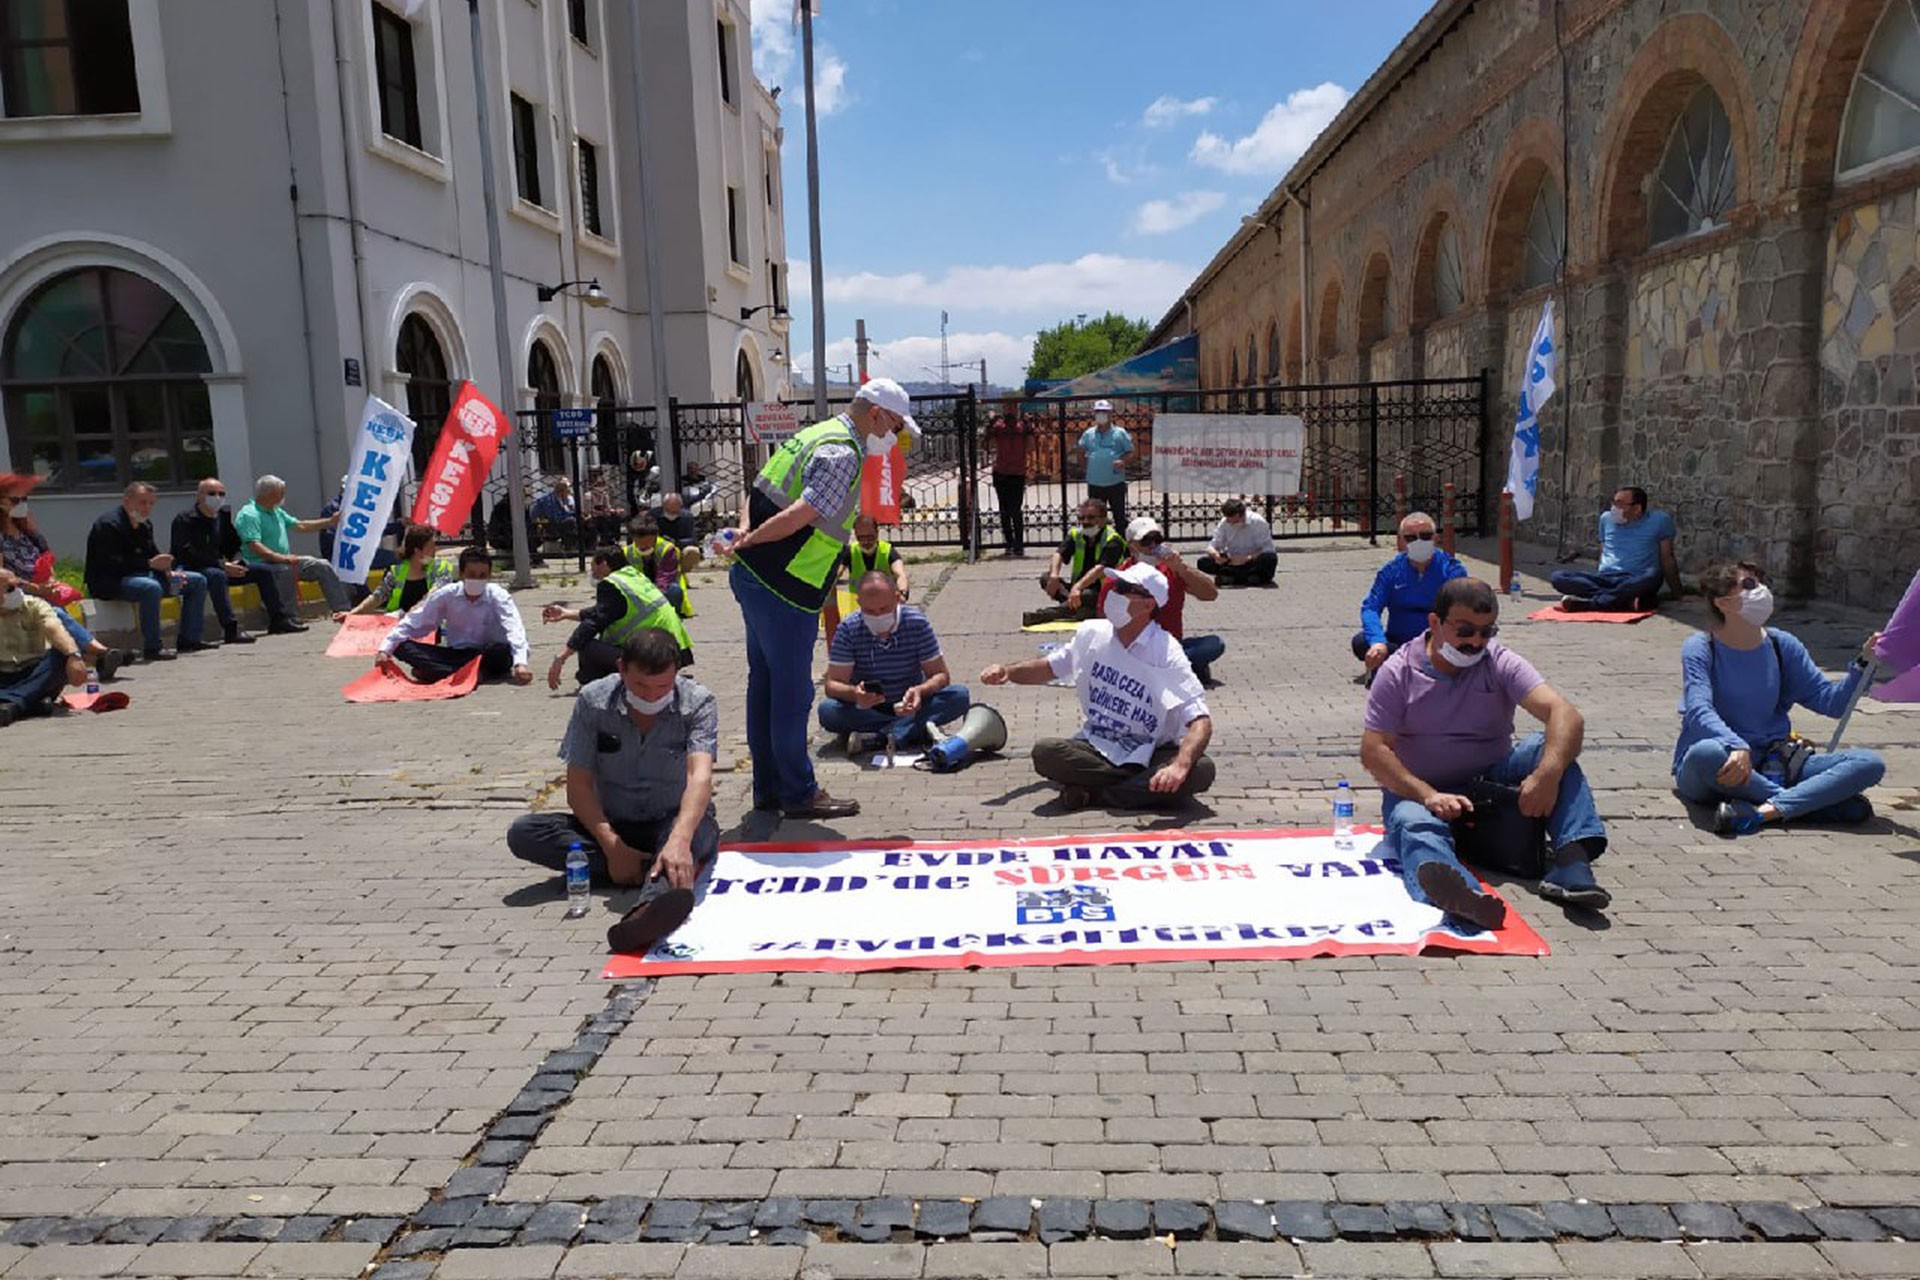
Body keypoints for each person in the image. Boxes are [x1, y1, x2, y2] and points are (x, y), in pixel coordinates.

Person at [1360, 577, 1612, 924]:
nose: (1476, 642)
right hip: (1420, 792)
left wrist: (1546, 775)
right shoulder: (1398, 671)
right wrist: (1429, 795)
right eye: (1465, 631)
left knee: (1550, 748)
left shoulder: (1498, 661)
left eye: (1486, 632)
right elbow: (1374, 751)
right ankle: (1462, 895)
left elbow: (1565, 714)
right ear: (1435, 622)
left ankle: (1572, 862)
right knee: (1411, 822)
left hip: (1488, 784)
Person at [724, 375, 916, 820]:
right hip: (785, 586)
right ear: (876, 414)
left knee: (765, 686)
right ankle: (798, 793)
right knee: (790, 694)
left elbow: (758, 489)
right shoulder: (843, 451)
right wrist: (751, 541)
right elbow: (801, 515)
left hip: (757, 579)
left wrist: (745, 535)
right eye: (896, 427)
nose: (896, 437)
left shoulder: (812, 434)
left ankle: (770, 788)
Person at [508, 628, 720, 953]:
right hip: (611, 823)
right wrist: (611, 845)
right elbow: (578, 786)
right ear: (621, 669)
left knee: (696, 835)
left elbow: (700, 778)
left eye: (661, 687)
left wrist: (679, 840)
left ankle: (647, 909)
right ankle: (646, 869)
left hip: (674, 821)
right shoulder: (593, 701)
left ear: (676, 673)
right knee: (525, 832)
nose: (651, 696)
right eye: (640, 686)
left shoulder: (698, 702)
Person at [1673, 560, 1885, 835]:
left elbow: (1831, 703)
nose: (1760, 590)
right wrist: (1737, 746)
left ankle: (1763, 813)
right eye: (1749, 584)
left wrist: (1863, 664)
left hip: (1775, 763)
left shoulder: (1781, 645)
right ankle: (1807, 804)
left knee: (1868, 763)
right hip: (1718, 764)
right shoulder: (1701, 647)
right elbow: (1698, 709)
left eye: (1761, 582)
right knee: (1707, 752)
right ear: (1723, 603)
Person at [984, 563, 1214, 811]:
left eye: (1126, 588)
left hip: (1151, 750)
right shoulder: (1093, 633)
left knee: (1200, 769)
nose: (1115, 593)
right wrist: (1007, 672)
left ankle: (1094, 793)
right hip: (1098, 745)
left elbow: (1201, 721)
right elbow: (1049, 667)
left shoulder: (1166, 651)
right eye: (1116, 586)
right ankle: (1136, 791)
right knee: (1046, 752)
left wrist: (1179, 765)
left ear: (1149, 605)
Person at [818, 570, 970, 753]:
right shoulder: (849, 629)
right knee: (828, 711)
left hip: (911, 704)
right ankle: (908, 730)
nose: (877, 616)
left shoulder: (916, 623)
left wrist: (920, 690)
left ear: (897, 598)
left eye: (883, 609)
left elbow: (941, 675)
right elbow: (832, 684)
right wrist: (855, 694)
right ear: (859, 603)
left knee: (959, 696)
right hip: (868, 708)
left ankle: (879, 737)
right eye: (870, 611)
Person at [1, 478, 126, 676]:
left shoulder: (29, 533)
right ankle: (99, 651)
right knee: (53, 612)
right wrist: (35, 589)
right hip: (11, 594)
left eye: (24, 499)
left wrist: (50, 582)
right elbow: (2, 578)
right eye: (16, 500)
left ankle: (96, 659)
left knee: (52, 609)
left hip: (41, 591)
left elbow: (47, 561)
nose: (22, 504)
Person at [85, 481, 212, 660]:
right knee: (150, 588)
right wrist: (149, 564)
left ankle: (190, 639)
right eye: (142, 503)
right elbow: (112, 563)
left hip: (144, 574)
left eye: (151, 504)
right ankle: (153, 647)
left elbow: (153, 555)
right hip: (111, 581)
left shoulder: (145, 525)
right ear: (127, 502)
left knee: (196, 581)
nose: (147, 508)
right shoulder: (108, 525)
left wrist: (169, 572)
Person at [1096, 516, 1226, 687]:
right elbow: (1102, 620)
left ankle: (1170, 668)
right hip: (1134, 649)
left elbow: (1210, 594)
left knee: (1213, 644)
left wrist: (1182, 569)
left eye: (1156, 540)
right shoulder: (1120, 576)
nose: (1152, 547)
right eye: (1146, 541)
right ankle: (1178, 670)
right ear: (1131, 546)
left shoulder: (1171, 569)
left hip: (1169, 646)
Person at [376, 546, 532, 684]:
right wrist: (384, 650)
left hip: (487, 654)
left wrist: (521, 664)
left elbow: (514, 628)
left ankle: (439, 672)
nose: (476, 579)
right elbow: (416, 621)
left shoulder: (498, 595)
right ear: (462, 574)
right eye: (471, 574)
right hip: (456, 654)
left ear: (489, 576)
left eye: (482, 575)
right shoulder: (447, 595)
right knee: (401, 647)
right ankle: (467, 673)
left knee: (502, 650)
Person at [542, 545, 692, 688]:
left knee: (587, 645)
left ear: (604, 564)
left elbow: (593, 623)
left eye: (593, 564)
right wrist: (566, 614)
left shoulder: (611, 584)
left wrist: (561, 657)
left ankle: (592, 686)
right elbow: (606, 612)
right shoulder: (633, 576)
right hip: (676, 652)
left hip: (653, 655)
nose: (591, 570)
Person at [170, 477, 293, 644]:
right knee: (217, 576)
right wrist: (222, 565)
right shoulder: (185, 520)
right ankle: (230, 629)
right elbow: (186, 553)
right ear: (199, 496)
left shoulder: (222, 517)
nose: (217, 497)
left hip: (222, 567)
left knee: (264, 571)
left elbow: (235, 544)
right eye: (212, 493)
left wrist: (237, 561)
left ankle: (279, 620)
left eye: (221, 494)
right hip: (195, 568)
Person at [1354, 510, 1469, 683]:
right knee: (1361, 642)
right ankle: (1403, 665)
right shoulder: (1391, 571)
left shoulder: (1452, 570)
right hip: (1399, 643)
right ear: (1400, 542)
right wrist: (1378, 641)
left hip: (1438, 642)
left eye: (1425, 536)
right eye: (1411, 538)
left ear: (1435, 539)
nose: (1419, 542)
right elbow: (1371, 607)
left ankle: (1400, 668)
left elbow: (1462, 609)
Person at [236, 474, 351, 618]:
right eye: (281, 493)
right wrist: (281, 558)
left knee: (322, 566)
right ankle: (288, 616)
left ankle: (342, 609)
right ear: (270, 494)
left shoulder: (275, 511)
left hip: (286, 560)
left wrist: (330, 522)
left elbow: (300, 525)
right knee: (284, 571)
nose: (284, 496)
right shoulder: (249, 515)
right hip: (263, 563)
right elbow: (254, 545)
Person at [1550, 486, 1681, 611]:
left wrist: (1678, 594)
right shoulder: (1606, 519)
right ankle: (1623, 601)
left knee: (1654, 574)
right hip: (1606, 578)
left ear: (1637, 508)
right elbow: (1604, 551)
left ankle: (1591, 604)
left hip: (1636, 578)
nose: (1614, 507)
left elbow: (1667, 559)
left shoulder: (1660, 521)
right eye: (1613, 502)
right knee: (1558, 577)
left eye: (1619, 504)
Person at [0, 567, 87, 727]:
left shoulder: (35, 605)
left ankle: (9, 702)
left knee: (61, 655)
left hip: (34, 672)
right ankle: (28, 704)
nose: (16, 591)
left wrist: (74, 656)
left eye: (17, 586)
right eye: (9, 588)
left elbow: (55, 629)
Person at [1023, 497, 1126, 626]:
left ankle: (1044, 615)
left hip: (1105, 592)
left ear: (1103, 519)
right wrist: (1054, 576)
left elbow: (1100, 569)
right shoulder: (1076, 534)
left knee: (1087, 595)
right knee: (1046, 578)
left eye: (1091, 517)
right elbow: (1058, 554)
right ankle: (1080, 610)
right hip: (1078, 590)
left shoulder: (1113, 539)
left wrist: (1077, 587)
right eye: (1081, 518)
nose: (1085, 522)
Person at [335, 523, 454, 619]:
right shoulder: (397, 572)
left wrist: (411, 614)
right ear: (418, 551)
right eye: (431, 546)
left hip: (430, 627)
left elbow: (434, 595)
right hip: (398, 628)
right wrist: (352, 614)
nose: (435, 550)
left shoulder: (441, 569)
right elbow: (378, 596)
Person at [821, 514, 909, 640]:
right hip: (859, 612)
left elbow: (900, 574)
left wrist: (903, 593)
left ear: (877, 533)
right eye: (861, 538)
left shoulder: (887, 551)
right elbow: (835, 575)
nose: (866, 542)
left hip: (885, 611)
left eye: (870, 537)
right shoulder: (850, 551)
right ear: (855, 534)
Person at [1074, 399, 1133, 528]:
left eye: (1104, 411)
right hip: (1095, 483)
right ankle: (1098, 546)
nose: (1101, 414)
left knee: (1119, 517)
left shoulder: (1120, 433)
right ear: (1094, 414)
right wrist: (1086, 468)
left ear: (1111, 414)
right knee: (1096, 519)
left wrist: (1123, 461)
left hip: (1115, 483)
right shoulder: (1088, 434)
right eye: (1098, 412)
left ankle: (1120, 545)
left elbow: (1130, 452)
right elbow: (1080, 452)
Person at [984, 412, 1036, 556]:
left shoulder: (1022, 427)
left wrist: (1029, 428)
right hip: (1003, 472)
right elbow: (988, 446)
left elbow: (1031, 447)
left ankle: (1017, 543)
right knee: (1006, 510)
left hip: (1016, 473)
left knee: (1013, 510)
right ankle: (1010, 543)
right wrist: (990, 426)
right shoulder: (999, 427)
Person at [1199, 498, 1277, 586]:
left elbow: (1268, 549)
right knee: (1203, 562)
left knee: (1269, 559)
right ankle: (1248, 578)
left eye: (1235, 521)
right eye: (1229, 520)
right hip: (1232, 561)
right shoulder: (1224, 523)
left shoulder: (1258, 522)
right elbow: (1212, 546)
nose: (1231, 524)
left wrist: (1247, 558)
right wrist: (1216, 556)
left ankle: (1234, 578)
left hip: (1252, 561)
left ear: (1241, 515)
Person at [622, 513, 689, 615]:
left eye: (649, 542)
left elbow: (666, 578)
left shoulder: (667, 549)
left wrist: (652, 597)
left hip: (662, 591)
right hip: (638, 592)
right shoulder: (627, 553)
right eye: (640, 543)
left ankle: (672, 616)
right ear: (634, 539)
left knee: (674, 590)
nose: (645, 546)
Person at [531, 478, 579, 548]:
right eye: (567, 488)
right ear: (561, 490)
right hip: (545, 521)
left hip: (558, 520)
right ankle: (568, 546)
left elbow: (569, 512)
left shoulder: (566, 499)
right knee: (570, 522)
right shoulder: (548, 500)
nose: (569, 490)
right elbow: (553, 516)